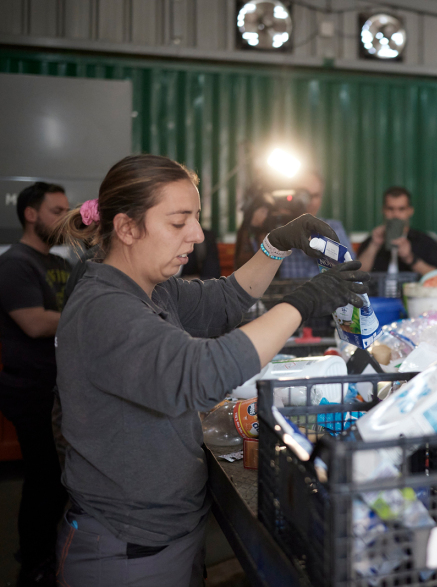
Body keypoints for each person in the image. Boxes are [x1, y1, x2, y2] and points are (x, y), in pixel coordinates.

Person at [51, 154, 368, 587]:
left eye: (196, 218)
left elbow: (224, 299)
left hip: (166, 532)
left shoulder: (152, 289)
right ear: (126, 228)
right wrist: (302, 302)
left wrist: (277, 244)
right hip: (127, 549)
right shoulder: (105, 309)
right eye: (179, 221)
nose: (197, 235)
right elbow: (203, 373)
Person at [0, 182, 71, 586]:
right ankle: (33, 566)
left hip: (57, 387)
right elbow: (34, 322)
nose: (65, 218)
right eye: (56, 211)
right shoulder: (15, 263)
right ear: (31, 214)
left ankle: (49, 556)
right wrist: (90, 315)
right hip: (30, 389)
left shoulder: (58, 261)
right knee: (44, 481)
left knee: (56, 481)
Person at [276, 170, 356, 279]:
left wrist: (316, 241)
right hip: (288, 290)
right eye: (303, 195)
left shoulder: (333, 227)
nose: (309, 202)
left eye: (315, 196)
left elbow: (349, 268)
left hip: (325, 290)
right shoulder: (277, 228)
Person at [358, 186, 437, 276]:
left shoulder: (426, 242)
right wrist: (374, 245)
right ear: (383, 210)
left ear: (410, 211)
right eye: (390, 209)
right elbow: (356, 275)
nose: (396, 214)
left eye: (401, 209)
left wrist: (409, 258)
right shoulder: (372, 241)